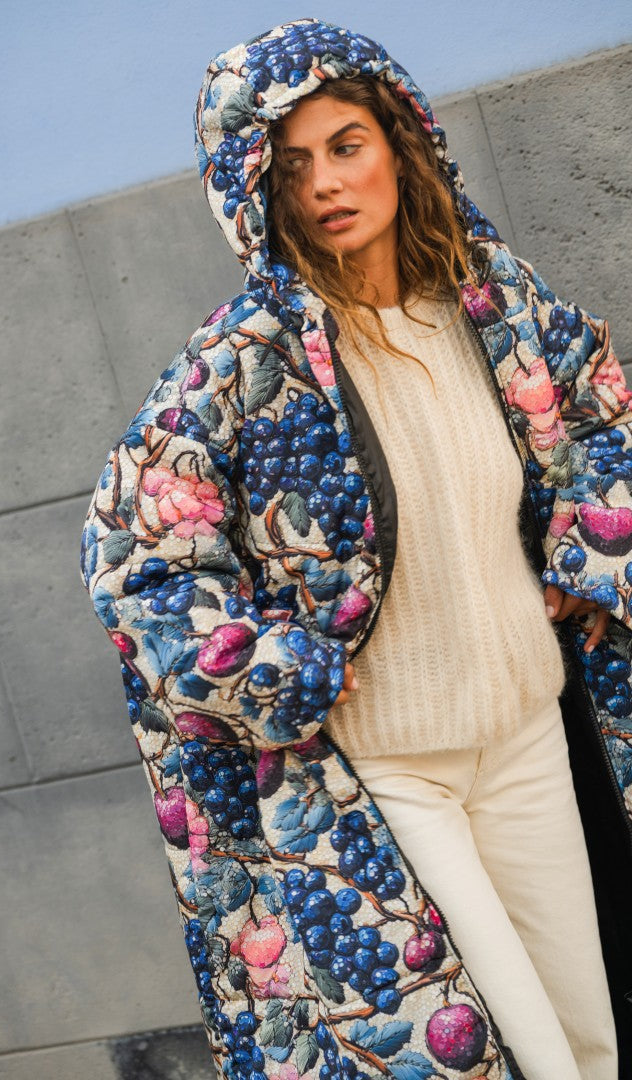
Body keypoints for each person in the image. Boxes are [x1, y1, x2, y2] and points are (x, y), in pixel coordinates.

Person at [80, 18, 632, 1080]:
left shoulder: (497, 302)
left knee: (589, 1040)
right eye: (290, 165)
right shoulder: (240, 363)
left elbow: (599, 415)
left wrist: (585, 549)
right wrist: (281, 671)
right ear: (253, 187)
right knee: (504, 1053)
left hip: (526, 736)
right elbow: (136, 557)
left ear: (401, 143)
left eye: (346, 145)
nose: (326, 182)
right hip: (386, 772)